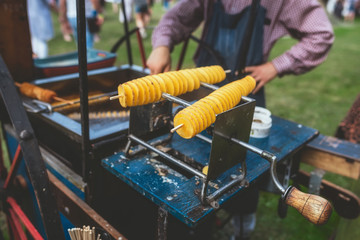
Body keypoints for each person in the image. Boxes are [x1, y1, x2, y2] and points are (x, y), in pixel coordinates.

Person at [146, 0, 334, 239]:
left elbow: (321, 34)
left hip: (245, 94)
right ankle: (193, 223)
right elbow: (176, 18)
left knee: (242, 169)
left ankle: (242, 228)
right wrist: (162, 44)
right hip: (204, 91)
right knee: (190, 157)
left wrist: (276, 66)